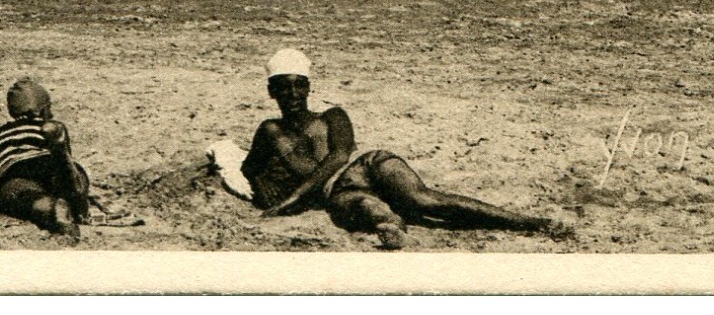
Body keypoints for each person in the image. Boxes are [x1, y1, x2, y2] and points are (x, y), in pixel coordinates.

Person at [208, 49, 568, 250]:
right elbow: (248, 168)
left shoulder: (334, 115)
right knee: (367, 207)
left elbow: (339, 156)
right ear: (271, 92)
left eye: (298, 87)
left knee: (423, 199)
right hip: (337, 190)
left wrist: (292, 199)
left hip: (366, 166)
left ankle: (532, 223)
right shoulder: (270, 130)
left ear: (308, 87)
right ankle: (392, 230)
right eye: (283, 89)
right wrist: (253, 180)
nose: (292, 95)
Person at [0, 78, 92, 241]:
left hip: (16, 168)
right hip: (49, 160)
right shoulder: (53, 125)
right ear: (42, 111)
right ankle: (70, 184)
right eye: (49, 108)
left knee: (24, 195)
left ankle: (49, 207)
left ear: (12, 111)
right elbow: (70, 153)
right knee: (67, 176)